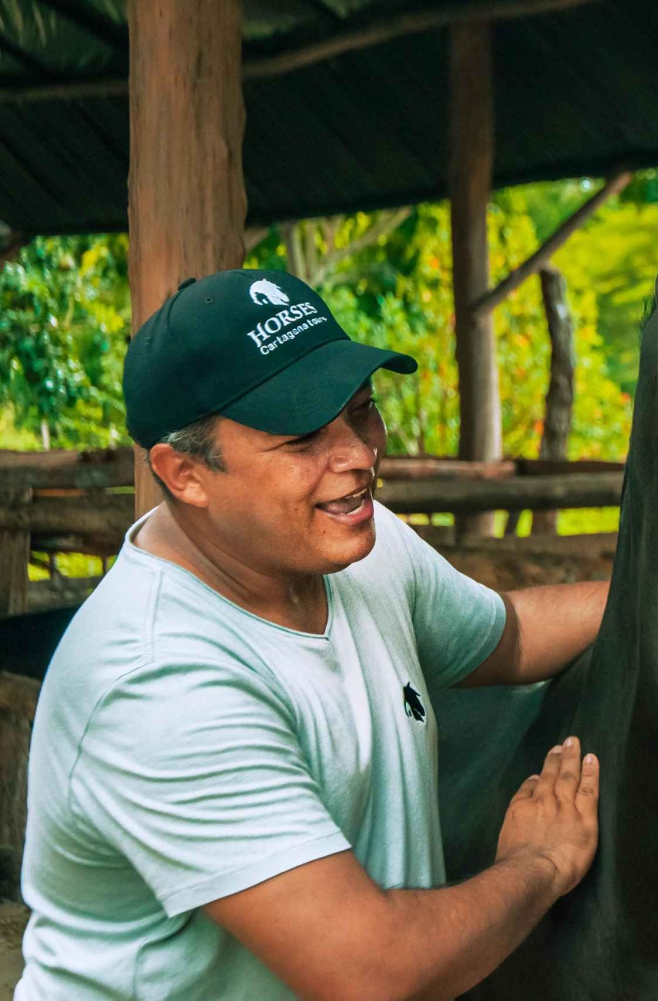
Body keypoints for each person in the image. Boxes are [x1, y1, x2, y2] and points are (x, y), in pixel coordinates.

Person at [19, 270, 607, 1000]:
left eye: (361, 409)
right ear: (186, 473)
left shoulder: (356, 546)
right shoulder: (160, 680)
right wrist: (541, 862)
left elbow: (506, 635)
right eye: (302, 437)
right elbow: (372, 972)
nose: (358, 455)